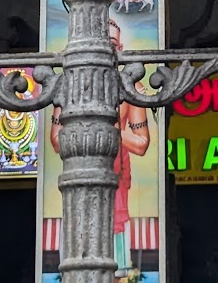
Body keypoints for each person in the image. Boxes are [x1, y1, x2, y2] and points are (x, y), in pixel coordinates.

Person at [49, 20, 150, 278]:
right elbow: (57, 140)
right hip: (78, 180)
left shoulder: (131, 89)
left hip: (116, 181)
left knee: (115, 269)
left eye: (112, 45)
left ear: (121, 48)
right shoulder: (67, 86)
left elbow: (141, 143)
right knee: (77, 262)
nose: (104, 51)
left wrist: (111, 129)